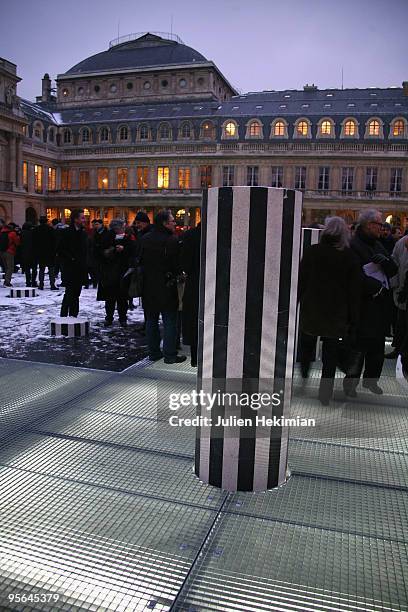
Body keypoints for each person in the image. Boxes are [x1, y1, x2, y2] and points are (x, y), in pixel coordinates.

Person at [298, 217, 361, 405]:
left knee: (307, 343)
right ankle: (325, 394)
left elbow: (302, 279)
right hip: (336, 312)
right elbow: (354, 290)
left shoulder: (312, 251)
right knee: (330, 355)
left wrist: (298, 300)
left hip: (312, 308)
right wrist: (353, 317)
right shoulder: (349, 256)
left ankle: (304, 373)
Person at [343, 209, 398, 396]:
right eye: (379, 224)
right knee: (358, 349)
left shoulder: (378, 244)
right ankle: (350, 384)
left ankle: (371, 380)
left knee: (377, 348)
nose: (382, 228)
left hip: (380, 307)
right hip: (363, 306)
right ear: (368, 225)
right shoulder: (354, 245)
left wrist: (387, 264)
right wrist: (375, 286)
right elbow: (354, 275)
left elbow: (392, 270)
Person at [140, 210, 186, 364]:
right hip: (166, 286)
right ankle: (170, 355)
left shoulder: (145, 238)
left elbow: (138, 260)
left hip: (148, 286)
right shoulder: (172, 240)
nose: (175, 223)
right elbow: (177, 265)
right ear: (165, 223)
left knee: (151, 320)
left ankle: (154, 353)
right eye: (172, 221)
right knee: (170, 321)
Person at [96, 218, 135, 327]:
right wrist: (112, 250)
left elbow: (133, 250)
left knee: (122, 298)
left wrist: (124, 249)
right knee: (110, 298)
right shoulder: (107, 237)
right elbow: (100, 252)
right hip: (109, 272)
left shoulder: (128, 237)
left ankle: (123, 318)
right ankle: (109, 317)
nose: (124, 228)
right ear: (116, 229)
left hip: (123, 271)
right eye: (122, 227)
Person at [58, 209, 88, 317]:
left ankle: (74, 316)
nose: (84, 220)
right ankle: (64, 316)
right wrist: (71, 259)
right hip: (70, 268)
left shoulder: (83, 233)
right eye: (82, 218)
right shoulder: (66, 232)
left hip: (80, 268)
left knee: (76, 294)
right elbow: (61, 249)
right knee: (69, 293)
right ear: (75, 219)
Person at [181, 223, 201, 367]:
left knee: (195, 320)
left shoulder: (190, 236)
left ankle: (196, 359)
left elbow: (185, 264)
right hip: (218, 283)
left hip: (195, 283)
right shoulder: (222, 234)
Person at [386, 236, 408, 359]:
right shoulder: (401, 243)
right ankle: (398, 349)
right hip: (402, 290)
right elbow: (394, 262)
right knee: (400, 322)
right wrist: (395, 285)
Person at [32, 216, 57, 290]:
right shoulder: (50, 229)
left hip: (40, 252)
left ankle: (41, 284)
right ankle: (52, 284)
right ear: (46, 221)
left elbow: (34, 242)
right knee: (51, 269)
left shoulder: (36, 230)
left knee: (41, 269)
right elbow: (54, 241)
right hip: (50, 252)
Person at [0, 222, 20, 287]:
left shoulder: (1, 233)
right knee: (10, 268)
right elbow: (17, 243)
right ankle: (7, 282)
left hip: (2, 252)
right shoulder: (12, 233)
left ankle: (6, 280)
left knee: (6, 267)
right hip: (10, 252)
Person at [20, 222, 37, 287]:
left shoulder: (22, 233)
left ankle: (28, 282)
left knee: (27, 269)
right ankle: (33, 281)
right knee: (34, 269)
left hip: (25, 253)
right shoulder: (34, 233)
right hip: (34, 253)